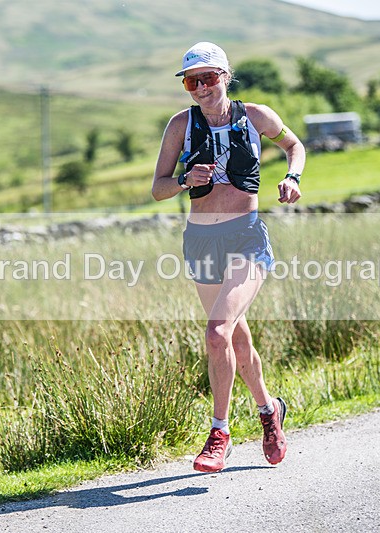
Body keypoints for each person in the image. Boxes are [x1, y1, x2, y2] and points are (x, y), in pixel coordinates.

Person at [152, 42, 305, 473]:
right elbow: (158, 187)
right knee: (236, 338)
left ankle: (219, 433)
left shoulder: (255, 115)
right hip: (200, 242)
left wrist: (292, 177)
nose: (200, 87)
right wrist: (183, 180)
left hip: (245, 237)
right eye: (190, 81)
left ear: (225, 74)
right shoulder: (180, 126)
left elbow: (295, 145)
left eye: (208, 77)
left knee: (217, 332)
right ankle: (269, 411)